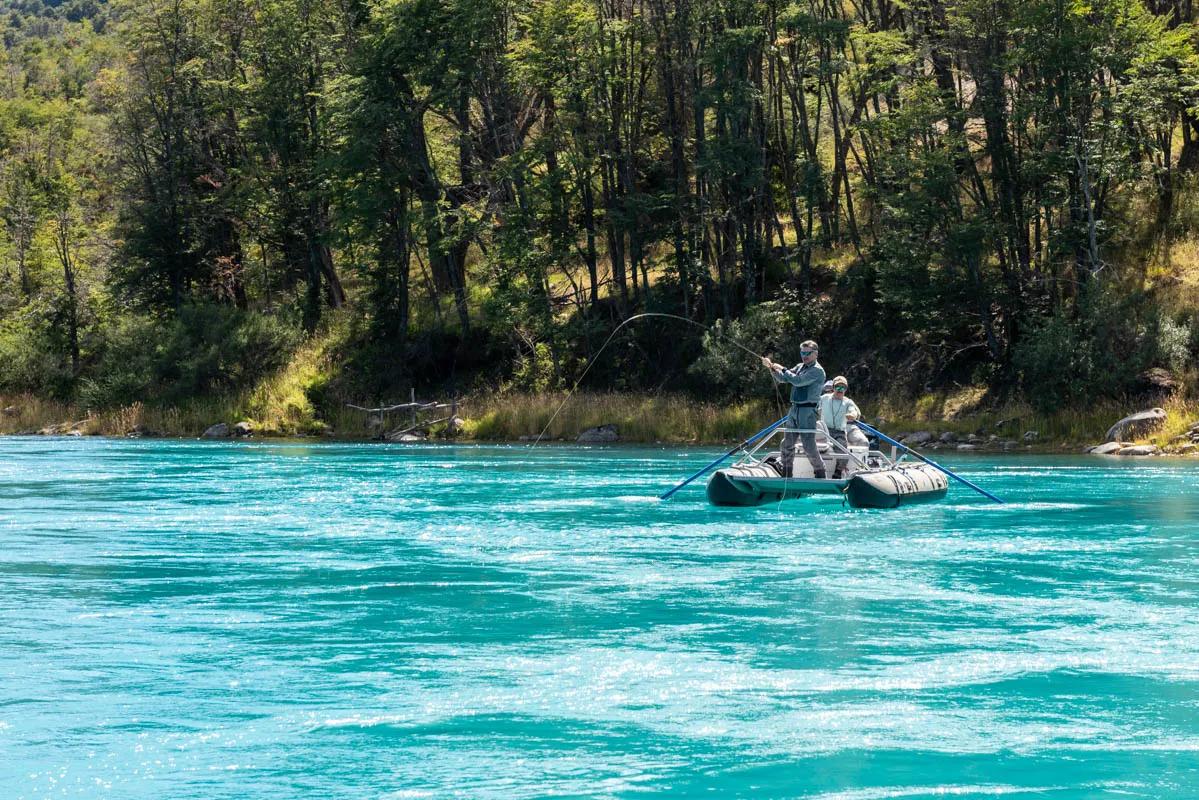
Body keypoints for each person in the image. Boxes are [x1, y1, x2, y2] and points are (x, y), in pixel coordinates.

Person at [762, 340, 826, 479]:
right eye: (802, 353)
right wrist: (772, 368)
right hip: (794, 409)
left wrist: (783, 368)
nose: (804, 356)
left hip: (808, 411)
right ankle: (786, 474)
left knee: (808, 445)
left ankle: (820, 473)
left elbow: (797, 381)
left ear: (815, 354)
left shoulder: (817, 371)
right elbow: (784, 379)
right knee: (787, 443)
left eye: (808, 353)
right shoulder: (800, 366)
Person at [819, 376, 861, 479]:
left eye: (843, 388)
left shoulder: (848, 402)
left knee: (844, 452)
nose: (840, 390)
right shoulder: (824, 398)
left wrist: (852, 415)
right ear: (833, 388)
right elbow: (814, 406)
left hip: (839, 432)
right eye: (838, 387)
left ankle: (838, 472)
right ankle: (818, 471)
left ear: (846, 390)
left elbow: (854, 411)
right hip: (824, 431)